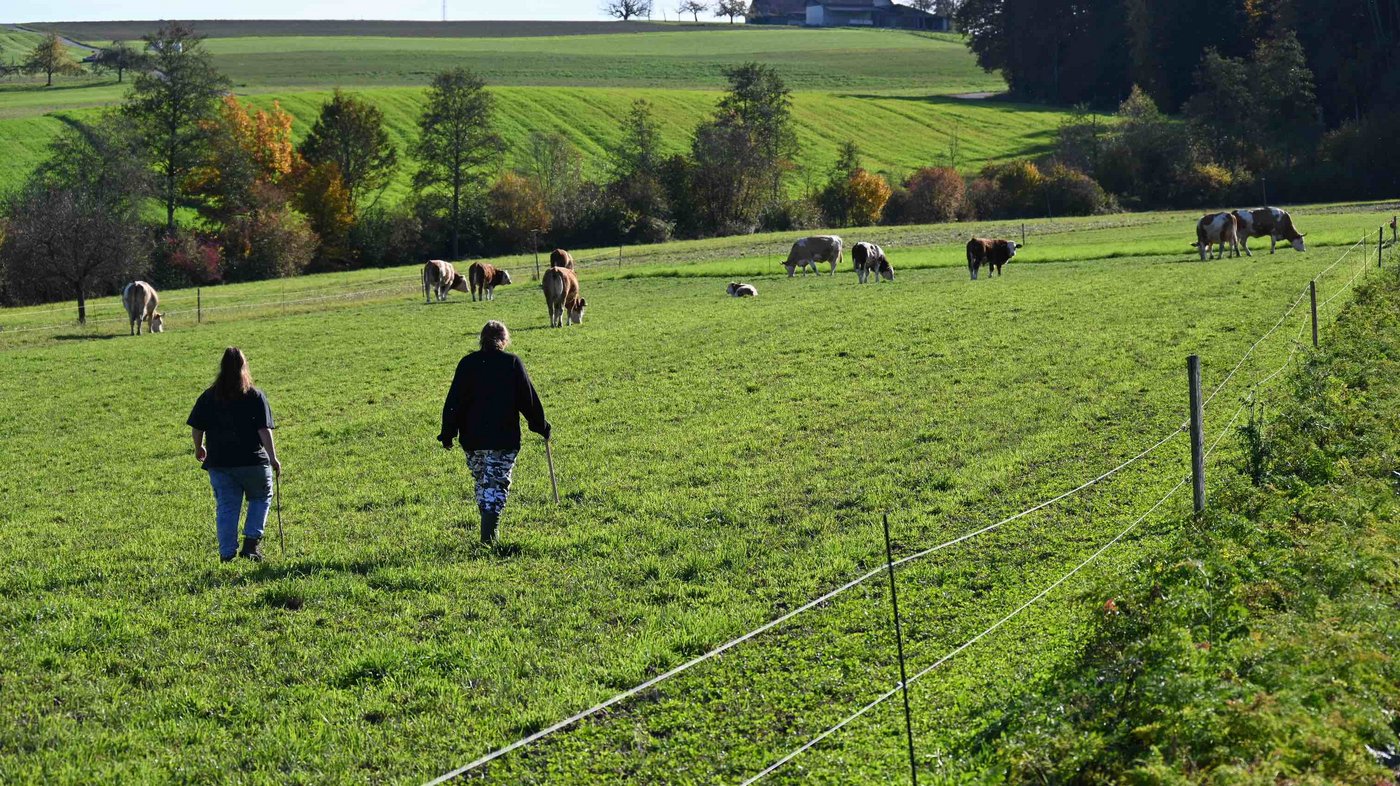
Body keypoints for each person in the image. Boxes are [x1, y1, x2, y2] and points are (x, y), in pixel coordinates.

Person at [439, 321, 550, 544]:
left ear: (481, 340)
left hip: (473, 439)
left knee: (483, 484)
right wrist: (541, 425)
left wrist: (448, 432)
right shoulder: (511, 363)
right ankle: (489, 540)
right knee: (495, 484)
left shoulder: (467, 364)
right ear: (504, 340)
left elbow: (454, 401)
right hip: (503, 438)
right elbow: (527, 399)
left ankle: (487, 535)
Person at [187, 347, 281, 562]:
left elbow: (197, 427)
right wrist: (273, 458)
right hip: (253, 462)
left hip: (220, 462)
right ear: (243, 367)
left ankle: (227, 553)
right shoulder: (255, 396)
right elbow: (263, 430)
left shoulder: (209, 396)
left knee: (227, 507)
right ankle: (251, 545)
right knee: (260, 497)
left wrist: (199, 447)